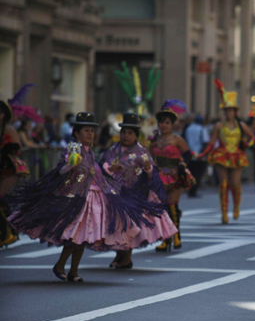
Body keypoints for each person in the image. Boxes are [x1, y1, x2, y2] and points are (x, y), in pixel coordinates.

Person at [8, 112, 164, 282]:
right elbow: (63, 169)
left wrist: (112, 169)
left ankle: (73, 271)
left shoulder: (90, 151)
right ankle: (60, 265)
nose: (90, 134)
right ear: (77, 133)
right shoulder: (75, 148)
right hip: (76, 197)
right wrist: (70, 165)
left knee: (82, 236)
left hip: (90, 196)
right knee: (77, 236)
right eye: (86, 130)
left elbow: (98, 170)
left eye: (92, 130)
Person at [101, 113, 177, 269]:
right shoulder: (112, 150)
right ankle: (119, 255)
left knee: (128, 226)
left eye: (130, 133)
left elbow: (151, 175)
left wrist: (148, 170)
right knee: (116, 225)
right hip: (114, 193)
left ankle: (126, 257)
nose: (126, 135)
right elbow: (102, 166)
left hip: (135, 194)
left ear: (136, 136)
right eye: (124, 132)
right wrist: (109, 169)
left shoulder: (142, 152)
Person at [198, 82, 255, 224]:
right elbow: (212, 142)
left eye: (231, 110)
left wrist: (248, 143)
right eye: (227, 110)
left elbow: (252, 137)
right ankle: (224, 212)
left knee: (235, 184)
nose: (229, 112)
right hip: (222, 155)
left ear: (235, 111)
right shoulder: (219, 125)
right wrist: (203, 153)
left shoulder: (241, 125)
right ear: (224, 111)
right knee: (223, 184)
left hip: (236, 155)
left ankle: (236, 207)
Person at [150, 100, 196, 251]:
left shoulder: (177, 139)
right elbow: (149, 157)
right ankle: (164, 238)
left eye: (167, 123)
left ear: (172, 124)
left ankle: (176, 235)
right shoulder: (154, 140)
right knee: (161, 207)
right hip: (158, 177)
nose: (164, 125)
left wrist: (181, 164)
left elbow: (188, 154)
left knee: (172, 205)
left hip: (175, 175)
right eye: (161, 122)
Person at [0, 100, 29, 247]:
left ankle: (7, 234)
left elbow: (17, 149)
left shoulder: (9, 129)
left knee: (1, 198)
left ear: (4, 115)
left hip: (8, 168)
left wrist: (7, 149)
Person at [184, 114, 210, 197]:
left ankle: (190, 190)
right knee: (198, 174)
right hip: (199, 154)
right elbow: (205, 141)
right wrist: (204, 153)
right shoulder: (202, 129)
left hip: (190, 153)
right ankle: (193, 191)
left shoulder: (189, 128)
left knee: (190, 173)